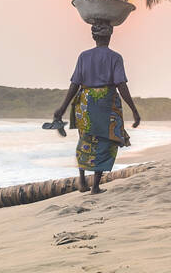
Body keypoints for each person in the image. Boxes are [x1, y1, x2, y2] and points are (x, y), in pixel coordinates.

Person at [54, 21, 140, 194]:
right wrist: (134, 109)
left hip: (85, 103)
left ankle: (83, 181)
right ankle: (95, 186)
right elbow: (121, 84)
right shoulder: (115, 57)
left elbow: (75, 84)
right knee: (104, 142)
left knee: (85, 140)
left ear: (93, 36)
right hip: (106, 104)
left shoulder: (83, 56)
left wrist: (62, 108)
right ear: (110, 36)